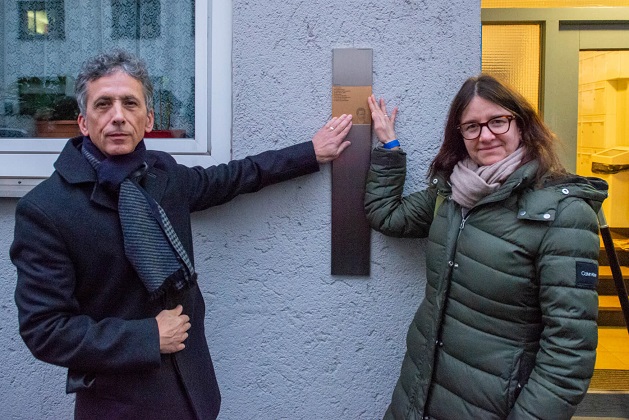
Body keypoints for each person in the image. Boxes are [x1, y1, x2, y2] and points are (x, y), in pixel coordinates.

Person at [10, 49, 352, 420]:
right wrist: (148, 337)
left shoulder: (162, 176)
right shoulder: (47, 208)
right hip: (120, 405)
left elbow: (232, 177)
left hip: (194, 394)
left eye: (130, 103)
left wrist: (309, 153)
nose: (118, 117)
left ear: (148, 118)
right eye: (103, 105)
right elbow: (45, 330)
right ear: (82, 121)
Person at [365, 74, 607, 420]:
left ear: (521, 125)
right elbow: (387, 215)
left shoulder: (564, 214)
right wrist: (389, 148)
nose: (486, 135)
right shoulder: (450, 194)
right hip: (416, 399)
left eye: (498, 121)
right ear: (459, 135)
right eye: (472, 126)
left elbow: (569, 354)